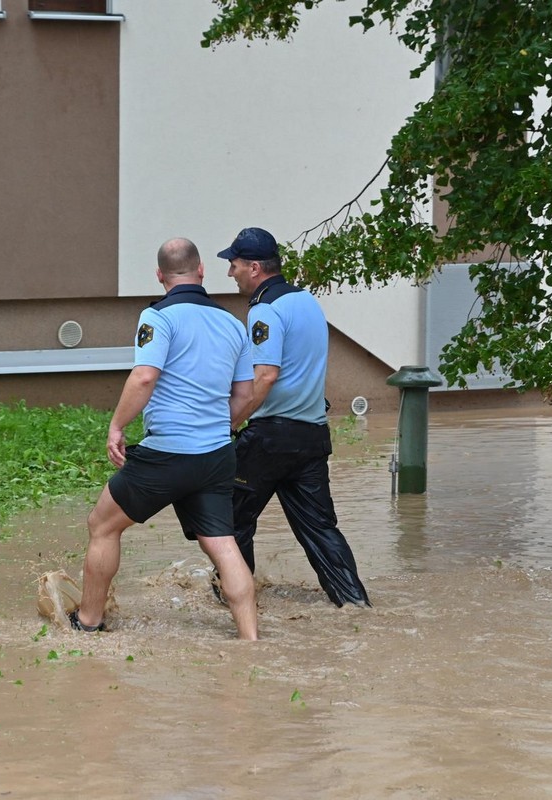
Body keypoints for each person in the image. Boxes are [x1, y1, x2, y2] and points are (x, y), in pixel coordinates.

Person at [71, 237, 259, 640]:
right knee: (224, 544)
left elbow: (144, 376)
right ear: (202, 270)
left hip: (167, 455)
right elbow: (245, 394)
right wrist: (214, 429)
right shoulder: (233, 323)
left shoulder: (157, 317)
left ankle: (88, 622)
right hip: (217, 455)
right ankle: (250, 638)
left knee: (102, 526)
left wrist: (116, 426)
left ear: (159, 276)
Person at [217, 226, 372, 608]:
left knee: (227, 520)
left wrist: (229, 422)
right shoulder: (307, 302)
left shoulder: (264, 309)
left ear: (254, 268)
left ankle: (235, 602)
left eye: (234, 264)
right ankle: (355, 605)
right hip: (311, 436)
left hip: (271, 438)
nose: (230, 272)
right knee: (319, 529)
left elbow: (265, 375)